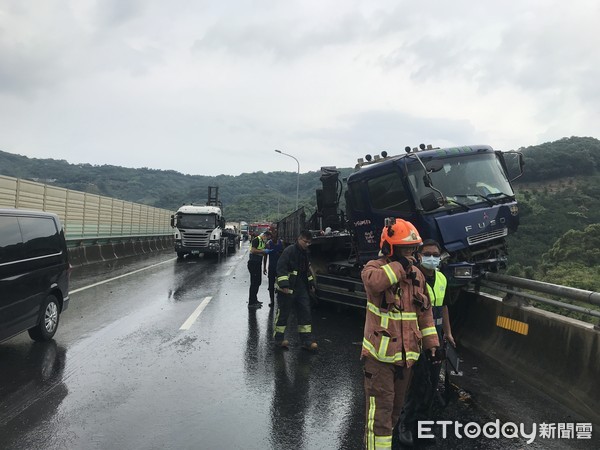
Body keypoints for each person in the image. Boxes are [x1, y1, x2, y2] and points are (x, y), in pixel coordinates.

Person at [360, 218, 440, 450]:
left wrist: (431, 343)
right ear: (390, 248)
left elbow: (424, 313)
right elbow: (376, 284)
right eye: (405, 250)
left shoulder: (417, 275)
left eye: (413, 250)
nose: (411, 256)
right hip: (379, 360)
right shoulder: (373, 269)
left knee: (394, 412)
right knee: (380, 418)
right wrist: (400, 265)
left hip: (406, 359)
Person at [398, 239, 455, 447]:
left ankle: (423, 425)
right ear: (419, 255)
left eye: (435, 254)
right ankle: (405, 424)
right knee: (415, 383)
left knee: (431, 383)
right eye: (428, 253)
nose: (432, 258)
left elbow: (445, 306)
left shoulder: (441, 278)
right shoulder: (412, 278)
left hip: (436, 338)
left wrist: (447, 332)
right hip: (415, 337)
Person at [273, 230, 317, 351]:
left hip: (301, 288)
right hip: (288, 288)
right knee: (283, 314)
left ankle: (307, 341)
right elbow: (281, 267)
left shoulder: (305, 253)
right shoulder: (289, 251)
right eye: (305, 241)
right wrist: (284, 284)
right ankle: (279, 339)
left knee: (305, 313)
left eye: (309, 242)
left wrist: (311, 283)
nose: (307, 244)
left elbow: (306, 270)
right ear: (299, 239)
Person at [247, 230, 272, 309]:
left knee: (258, 282)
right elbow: (253, 250)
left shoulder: (263, 242)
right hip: (253, 263)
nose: (267, 240)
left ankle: (255, 300)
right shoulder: (256, 240)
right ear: (265, 235)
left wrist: (264, 267)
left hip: (258, 264)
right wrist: (263, 251)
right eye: (267, 238)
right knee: (254, 283)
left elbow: (264, 256)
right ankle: (251, 302)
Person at [263, 228, 284, 308]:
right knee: (271, 286)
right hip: (271, 267)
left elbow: (284, 255)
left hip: (280, 268)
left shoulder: (281, 243)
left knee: (281, 285)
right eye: (273, 236)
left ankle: (280, 300)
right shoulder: (268, 244)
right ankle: (272, 301)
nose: (274, 237)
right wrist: (264, 268)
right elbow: (265, 257)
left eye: (276, 236)